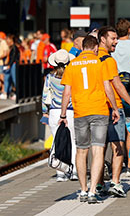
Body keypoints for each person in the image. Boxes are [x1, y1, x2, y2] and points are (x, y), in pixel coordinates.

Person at [59, 35, 119, 204]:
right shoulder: (100, 63)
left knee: (81, 151)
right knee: (98, 150)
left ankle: (83, 190)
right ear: (94, 49)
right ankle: (93, 190)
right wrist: (114, 108)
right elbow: (108, 88)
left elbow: (67, 92)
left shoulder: (72, 65)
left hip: (80, 112)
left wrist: (63, 114)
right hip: (99, 111)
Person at [97, 26, 130, 197]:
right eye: (112, 39)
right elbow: (118, 85)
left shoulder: (92, 58)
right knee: (118, 145)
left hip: (97, 107)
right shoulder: (108, 60)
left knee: (99, 147)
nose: (116, 42)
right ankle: (115, 181)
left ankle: (98, 183)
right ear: (102, 39)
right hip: (114, 108)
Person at [42, 49, 76, 182]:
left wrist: (44, 111)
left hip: (55, 112)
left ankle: (60, 172)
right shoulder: (71, 76)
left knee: (57, 140)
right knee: (73, 141)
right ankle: (74, 171)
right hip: (71, 111)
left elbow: (45, 97)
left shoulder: (50, 78)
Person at [112, 19, 130, 176]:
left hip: (116, 89)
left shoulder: (113, 48)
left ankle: (118, 160)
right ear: (129, 30)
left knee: (118, 127)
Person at [1, 34, 19, 100]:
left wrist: (9, 64)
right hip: (10, 64)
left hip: (13, 64)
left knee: (14, 79)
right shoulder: (11, 47)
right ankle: (6, 93)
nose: (7, 41)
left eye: (8, 39)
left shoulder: (14, 48)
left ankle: (17, 93)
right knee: (7, 78)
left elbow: (13, 57)